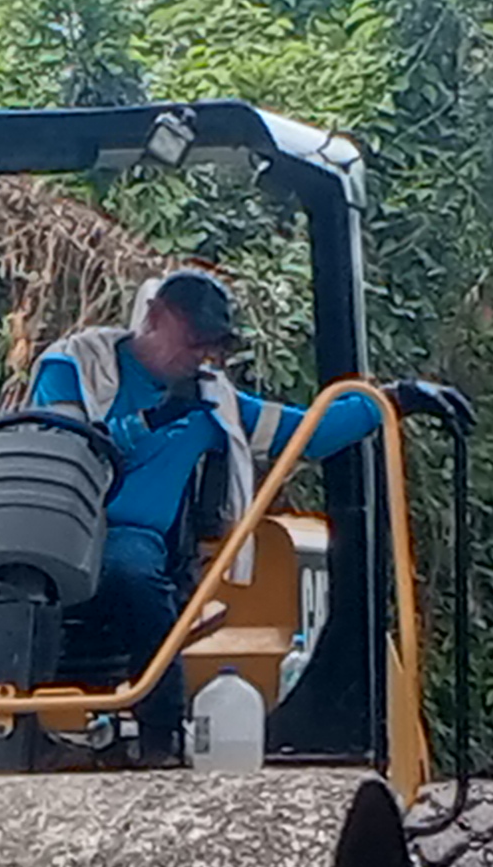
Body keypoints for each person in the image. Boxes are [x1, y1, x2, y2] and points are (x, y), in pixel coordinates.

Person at [26, 270, 388, 757]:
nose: (202, 355)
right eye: (193, 339)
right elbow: (65, 446)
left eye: (211, 345)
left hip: (133, 540)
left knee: (130, 568)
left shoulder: (212, 402)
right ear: (154, 317)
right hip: (56, 524)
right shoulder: (75, 366)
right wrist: (152, 420)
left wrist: (389, 402)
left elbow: (308, 434)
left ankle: (161, 735)